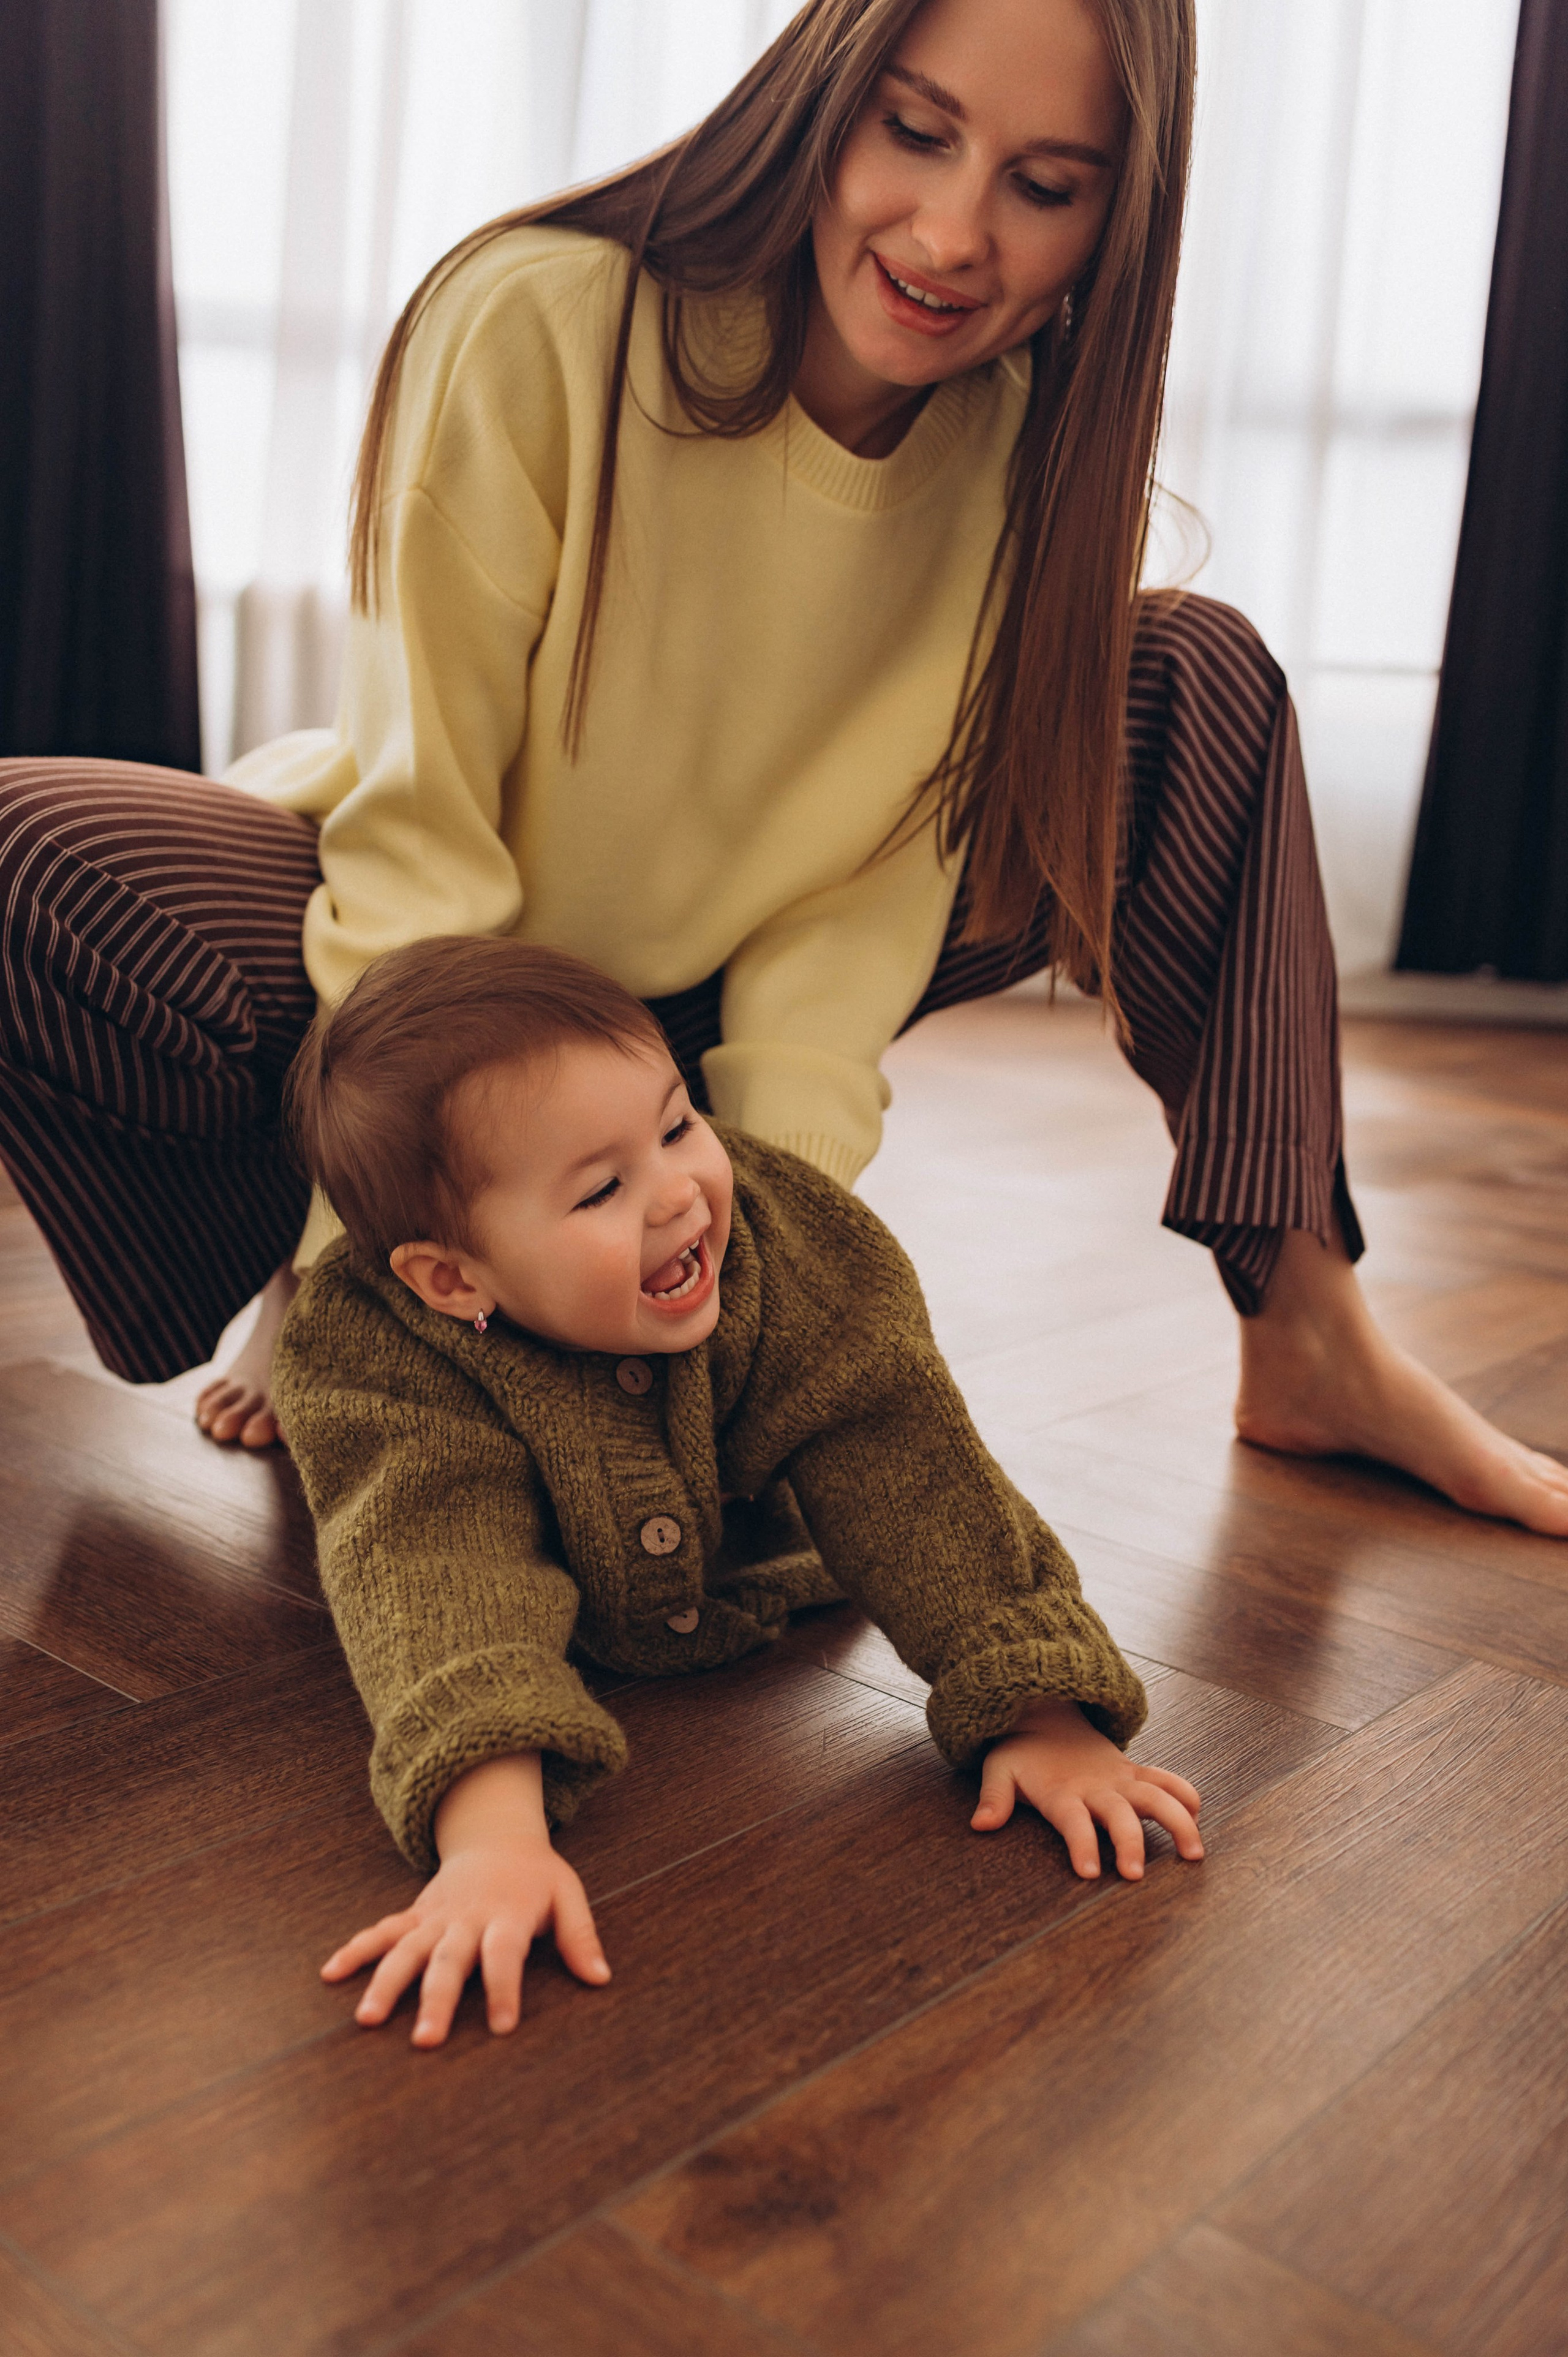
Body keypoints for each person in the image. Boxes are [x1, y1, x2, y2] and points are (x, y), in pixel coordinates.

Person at [1, 0, 1564, 1536]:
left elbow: (849, 922)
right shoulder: (539, 316)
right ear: (828, 88)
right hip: (406, 967)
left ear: (1114, 221)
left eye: (1042, 184)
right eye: (917, 132)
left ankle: (1313, 1338)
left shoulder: (1027, 468)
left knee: (1192, 672)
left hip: (675, 1042)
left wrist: (757, 1296)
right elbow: (426, 844)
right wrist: (377, 1281)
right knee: (24, 850)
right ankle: (333, 1268)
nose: (953, 234)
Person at [276, 935, 1204, 2046]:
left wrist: (1039, 1710)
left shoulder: (793, 1252)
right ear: (451, 1277)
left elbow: (910, 1468)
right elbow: (433, 1571)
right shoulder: (374, 1355)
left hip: (750, 1536)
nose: (678, 1196)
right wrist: (493, 1842)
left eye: (676, 1126)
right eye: (603, 1191)